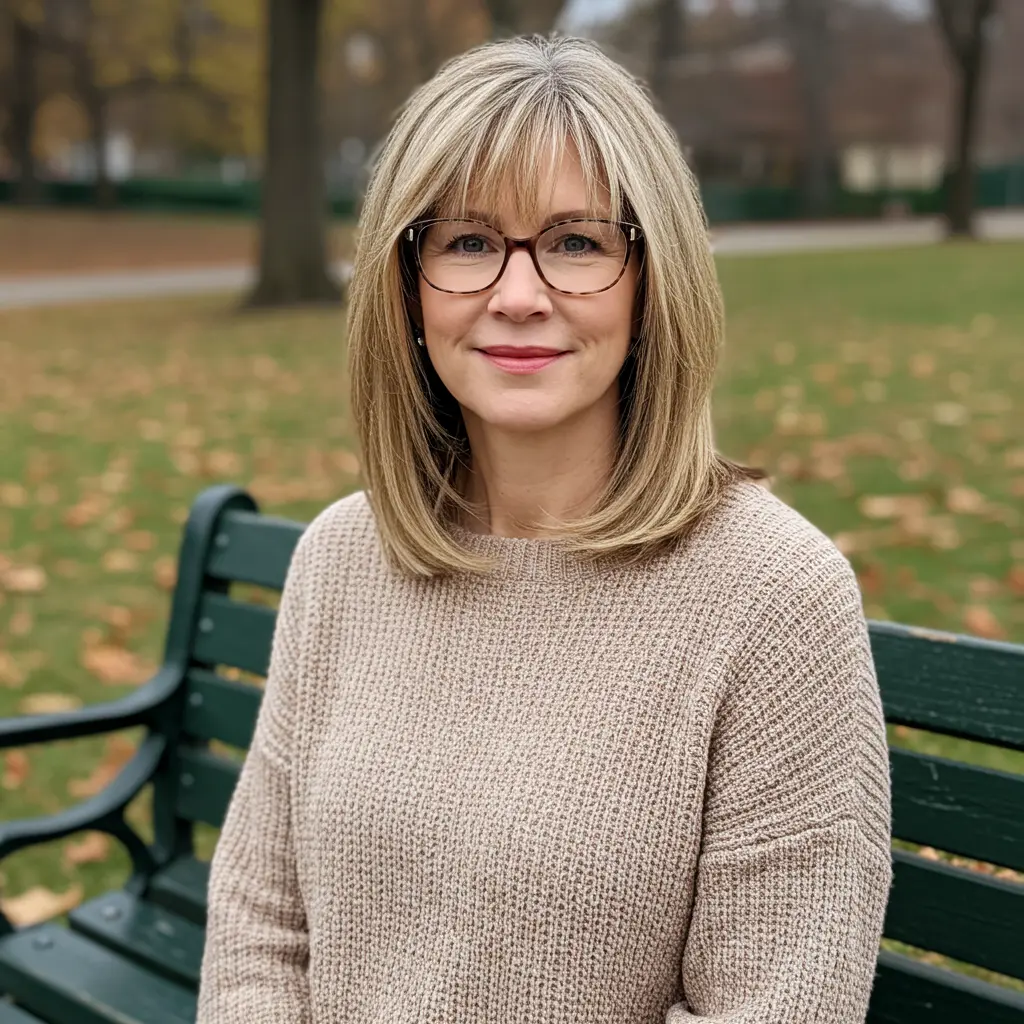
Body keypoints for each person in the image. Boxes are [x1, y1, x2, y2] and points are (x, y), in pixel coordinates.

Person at [196, 33, 893, 1024]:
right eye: (469, 242)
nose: (518, 296)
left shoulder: (773, 596)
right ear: (406, 282)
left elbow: (777, 1005)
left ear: (652, 280)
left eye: (576, 241)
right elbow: (261, 922)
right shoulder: (343, 558)